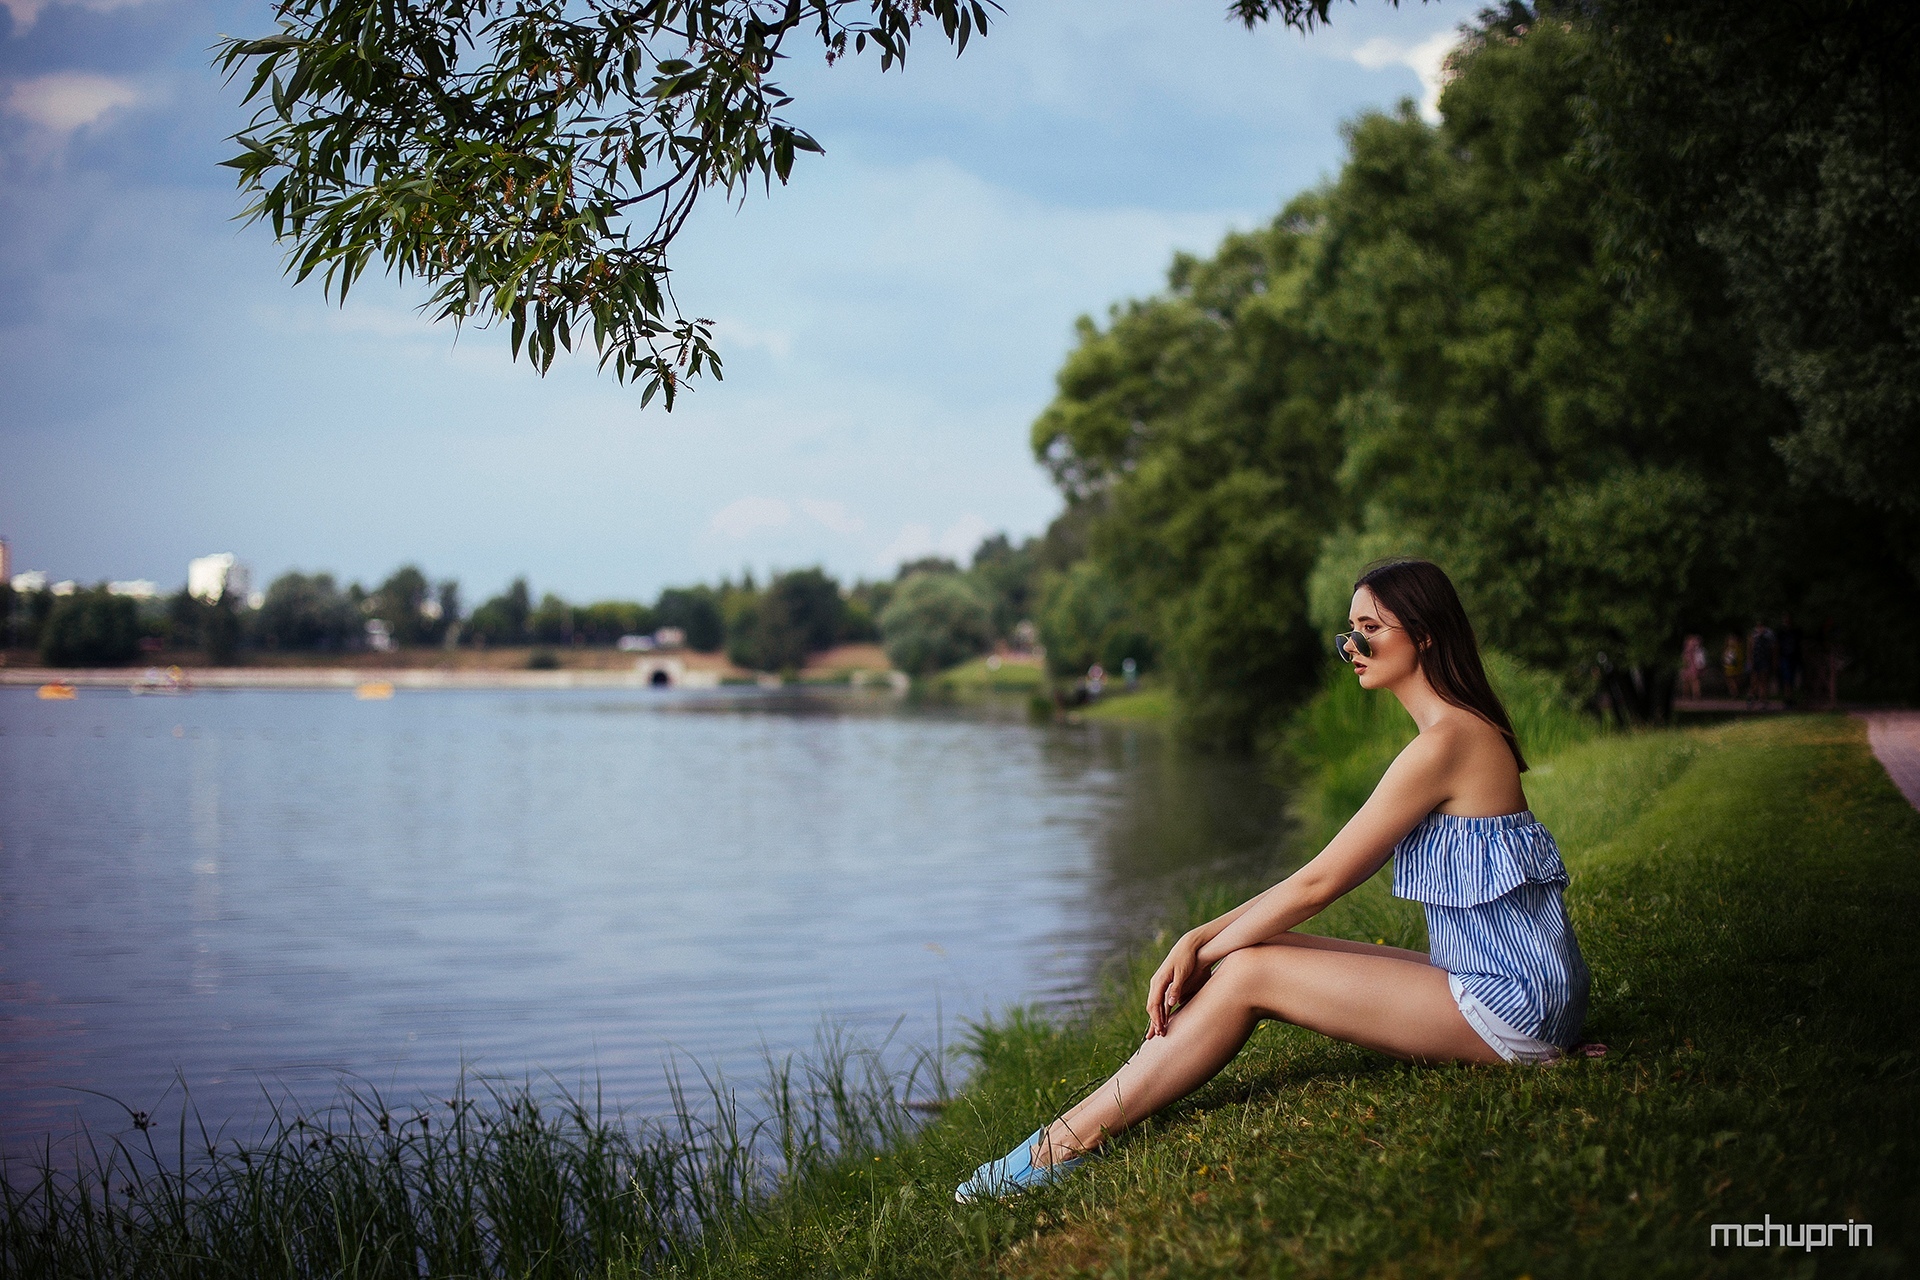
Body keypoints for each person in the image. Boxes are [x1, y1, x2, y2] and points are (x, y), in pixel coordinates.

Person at [957, 559, 1592, 1200]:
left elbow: (1321, 883)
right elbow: (1314, 877)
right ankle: (1067, 1135)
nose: (1351, 647)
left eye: (1369, 629)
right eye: (1348, 631)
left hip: (1511, 1006)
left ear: (1424, 634)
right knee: (1256, 956)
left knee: (1250, 972)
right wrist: (1200, 936)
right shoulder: (1453, 732)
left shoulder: (1445, 743)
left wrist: (1201, 948)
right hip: (1512, 987)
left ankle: (1059, 1147)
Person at [1679, 634, 1707, 700]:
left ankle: (1696, 695)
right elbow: (1684, 658)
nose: (1692, 642)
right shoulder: (1687, 649)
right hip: (1687, 666)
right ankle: (1686, 695)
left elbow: (1700, 656)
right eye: (1690, 641)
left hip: (1694, 666)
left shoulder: (1696, 648)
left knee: (1695, 680)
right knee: (1687, 681)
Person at [1720, 633, 1744, 699]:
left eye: (1732, 640)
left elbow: (1739, 658)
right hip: (1728, 667)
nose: (1731, 642)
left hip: (1734, 667)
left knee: (1734, 680)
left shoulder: (1737, 649)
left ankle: (1735, 693)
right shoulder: (1727, 649)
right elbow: (1724, 658)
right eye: (1729, 641)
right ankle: (1733, 693)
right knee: (1729, 680)